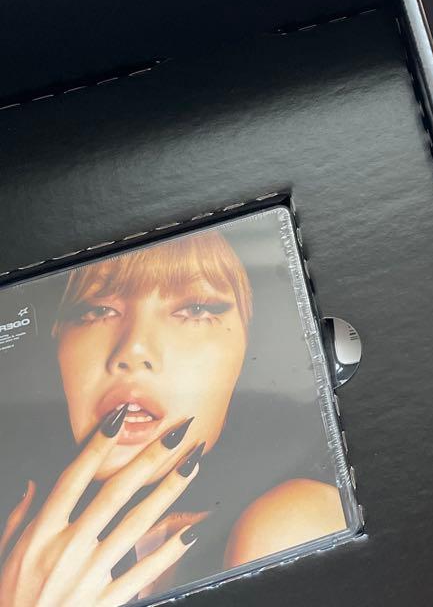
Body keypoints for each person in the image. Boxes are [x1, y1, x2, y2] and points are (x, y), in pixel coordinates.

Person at [0, 229, 345, 607]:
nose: (133, 349)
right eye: (97, 310)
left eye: (195, 310)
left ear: (249, 346)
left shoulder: (287, 528)